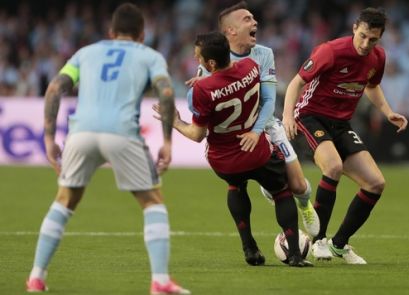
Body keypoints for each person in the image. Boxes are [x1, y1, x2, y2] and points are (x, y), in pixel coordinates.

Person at [25, 4, 190, 294]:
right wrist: (166, 141)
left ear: (111, 32)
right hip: (122, 132)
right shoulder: (150, 55)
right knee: (152, 201)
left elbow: (54, 89)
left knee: (65, 199)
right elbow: (165, 91)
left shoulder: (85, 53)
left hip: (80, 133)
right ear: (142, 34)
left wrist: (50, 138)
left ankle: (36, 276)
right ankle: (160, 281)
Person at [158, 31, 312, 267]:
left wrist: (175, 121)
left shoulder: (201, 90)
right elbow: (239, 84)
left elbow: (197, 135)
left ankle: (249, 247)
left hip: (224, 160)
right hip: (256, 151)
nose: (197, 61)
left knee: (236, 186)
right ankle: (294, 255)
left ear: (210, 63)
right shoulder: (250, 66)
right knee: (281, 192)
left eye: (199, 58)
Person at [282, 7, 408, 264]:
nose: (365, 43)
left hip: (341, 124)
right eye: (362, 36)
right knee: (334, 166)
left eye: (372, 39)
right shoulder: (331, 51)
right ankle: (317, 241)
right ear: (354, 28)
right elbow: (297, 82)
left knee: (375, 183)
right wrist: (287, 116)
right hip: (310, 117)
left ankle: (339, 244)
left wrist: (388, 112)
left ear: (380, 37)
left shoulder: (377, 58)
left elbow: (371, 86)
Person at [186, 1, 319, 237]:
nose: (254, 22)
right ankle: (269, 189)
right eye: (247, 19)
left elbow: (268, 101)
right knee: (243, 183)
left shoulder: (264, 54)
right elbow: (197, 101)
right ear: (231, 31)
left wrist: (257, 132)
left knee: (298, 186)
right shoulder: (212, 57)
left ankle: (304, 204)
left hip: (264, 126)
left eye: (253, 18)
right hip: (233, 135)